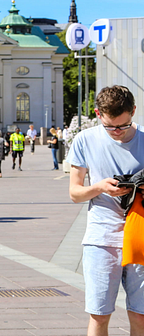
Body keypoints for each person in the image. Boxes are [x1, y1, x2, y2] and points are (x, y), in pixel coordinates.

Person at [67, 85, 144, 336]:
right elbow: (75, 193)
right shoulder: (85, 140)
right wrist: (99, 187)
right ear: (99, 114)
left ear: (133, 111)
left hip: (140, 235)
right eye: (110, 127)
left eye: (123, 125)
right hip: (102, 237)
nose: (117, 132)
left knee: (141, 316)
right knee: (99, 315)